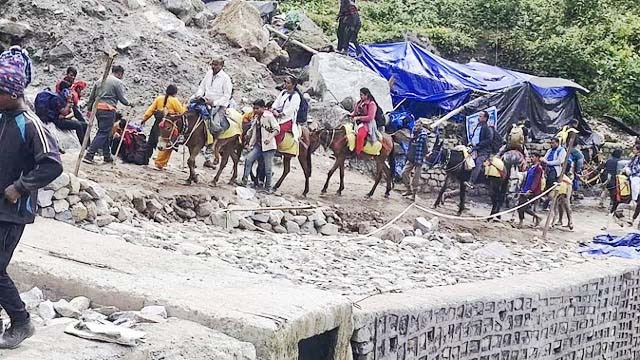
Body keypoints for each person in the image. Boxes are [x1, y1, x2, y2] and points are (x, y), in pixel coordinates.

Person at [0, 53, 63, 349]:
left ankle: (22, 321)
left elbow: (52, 164)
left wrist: (20, 186)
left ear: (12, 93)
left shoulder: (31, 124)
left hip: (12, 211)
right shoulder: (2, 117)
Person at [83, 65, 134, 164]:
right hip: (108, 109)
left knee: (105, 132)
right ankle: (89, 155)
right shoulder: (117, 82)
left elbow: (92, 96)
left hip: (98, 109)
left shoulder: (100, 80)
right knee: (103, 133)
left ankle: (107, 155)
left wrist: (89, 108)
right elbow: (122, 98)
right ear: (120, 73)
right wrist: (130, 103)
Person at [192, 57, 233, 169]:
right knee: (189, 113)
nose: (214, 67)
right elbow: (202, 87)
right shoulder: (209, 73)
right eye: (212, 64)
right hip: (205, 101)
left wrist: (214, 102)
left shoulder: (225, 78)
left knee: (214, 126)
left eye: (216, 65)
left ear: (221, 66)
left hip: (218, 105)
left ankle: (210, 153)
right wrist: (199, 95)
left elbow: (227, 96)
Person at [239, 100, 280, 192]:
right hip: (258, 145)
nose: (255, 110)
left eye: (257, 108)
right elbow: (253, 129)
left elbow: (277, 129)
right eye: (254, 108)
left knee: (268, 168)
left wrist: (269, 138)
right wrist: (248, 138)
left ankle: (268, 187)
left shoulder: (269, 117)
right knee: (248, 159)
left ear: (263, 108)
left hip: (268, 146)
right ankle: (244, 181)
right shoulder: (256, 117)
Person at [142, 85, 186, 170]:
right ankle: (159, 163)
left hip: (157, 123)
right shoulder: (174, 100)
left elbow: (150, 110)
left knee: (151, 142)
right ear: (175, 93)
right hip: (168, 125)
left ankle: (145, 159)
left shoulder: (159, 98)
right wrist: (184, 105)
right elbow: (181, 112)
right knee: (166, 143)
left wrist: (144, 119)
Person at [401, 121, 428, 200]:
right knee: (404, 173)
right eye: (415, 125)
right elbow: (410, 145)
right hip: (411, 158)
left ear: (421, 126)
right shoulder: (413, 133)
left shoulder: (423, 136)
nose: (416, 127)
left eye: (418, 126)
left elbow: (425, 148)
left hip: (418, 159)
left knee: (416, 178)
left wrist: (424, 155)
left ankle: (413, 195)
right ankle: (408, 189)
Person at [271, 76, 301, 145]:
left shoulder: (296, 96)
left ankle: (275, 146)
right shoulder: (283, 92)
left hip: (287, 119)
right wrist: (274, 109)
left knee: (279, 130)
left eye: (288, 83)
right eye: (285, 82)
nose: (286, 84)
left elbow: (291, 109)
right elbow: (276, 102)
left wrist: (281, 114)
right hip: (276, 114)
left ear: (293, 85)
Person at [518, 153, 544, 228]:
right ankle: (521, 221)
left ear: (537, 158)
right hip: (525, 189)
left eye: (533, 157)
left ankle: (537, 217)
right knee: (520, 206)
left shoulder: (538, 168)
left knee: (523, 206)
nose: (531, 158)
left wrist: (530, 190)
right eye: (531, 157)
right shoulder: (530, 167)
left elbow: (536, 180)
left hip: (532, 191)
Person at [540, 137, 566, 209]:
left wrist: (548, 162)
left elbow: (559, 161)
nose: (552, 144)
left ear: (557, 143)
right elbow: (545, 157)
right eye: (551, 143)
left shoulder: (561, 150)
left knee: (550, 181)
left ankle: (547, 198)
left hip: (555, 169)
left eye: (553, 143)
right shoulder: (550, 150)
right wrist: (543, 160)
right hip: (547, 169)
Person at [469, 111, 493, 185]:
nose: (478, 118)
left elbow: (489, 140)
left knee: (478, 162)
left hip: (483, 152)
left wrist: (478, 144)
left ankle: (471, 182)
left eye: (480, 116)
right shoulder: (478, 126)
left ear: (485, 118)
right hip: (474, 149)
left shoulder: (487, 128)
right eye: (478, 116)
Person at [351, 88, 377, 155]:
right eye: (360, 95)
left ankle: (357, 153)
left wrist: (359, 118)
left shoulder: (372, 104)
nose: (360, 96)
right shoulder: (359, 102)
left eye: (361, 95)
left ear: (366, 95)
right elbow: (355, 111)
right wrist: (351, 114)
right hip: (356, 121)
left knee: (360, 135)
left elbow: (370, 117)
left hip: (367, 123)